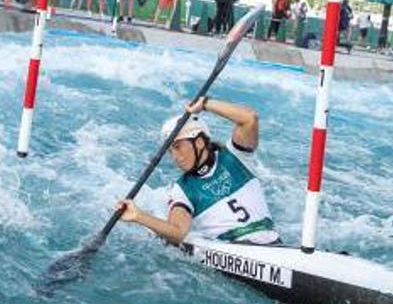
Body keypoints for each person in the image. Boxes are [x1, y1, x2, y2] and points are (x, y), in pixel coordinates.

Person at [116, 96, 279, 246]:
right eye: (171, 151)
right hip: (233, 249)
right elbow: (178, 232)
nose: (175, 156)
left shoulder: (236, 156)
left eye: (178, 147)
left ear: (199, 142)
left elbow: (250, 119)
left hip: (274, 245)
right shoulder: (183, 189)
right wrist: (138, 216)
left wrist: (205, 104)